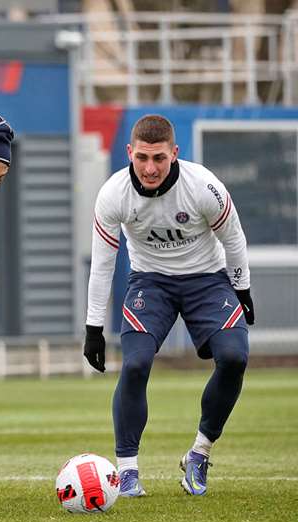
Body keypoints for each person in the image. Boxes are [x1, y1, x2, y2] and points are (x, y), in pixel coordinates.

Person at [82, 114, 254, 498]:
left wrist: (241, 289)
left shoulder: (204, 187)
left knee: (235, 357)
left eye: (159, 158)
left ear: (174, 154)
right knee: (137, 363)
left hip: (208, 281)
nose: (150, 167)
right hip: (150, 283)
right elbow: (103, 263)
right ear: (129, 152)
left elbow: (234, 238)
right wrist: (94, 328)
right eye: (142, 157)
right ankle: (127, 472)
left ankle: (199, 452)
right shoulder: (113, 194)